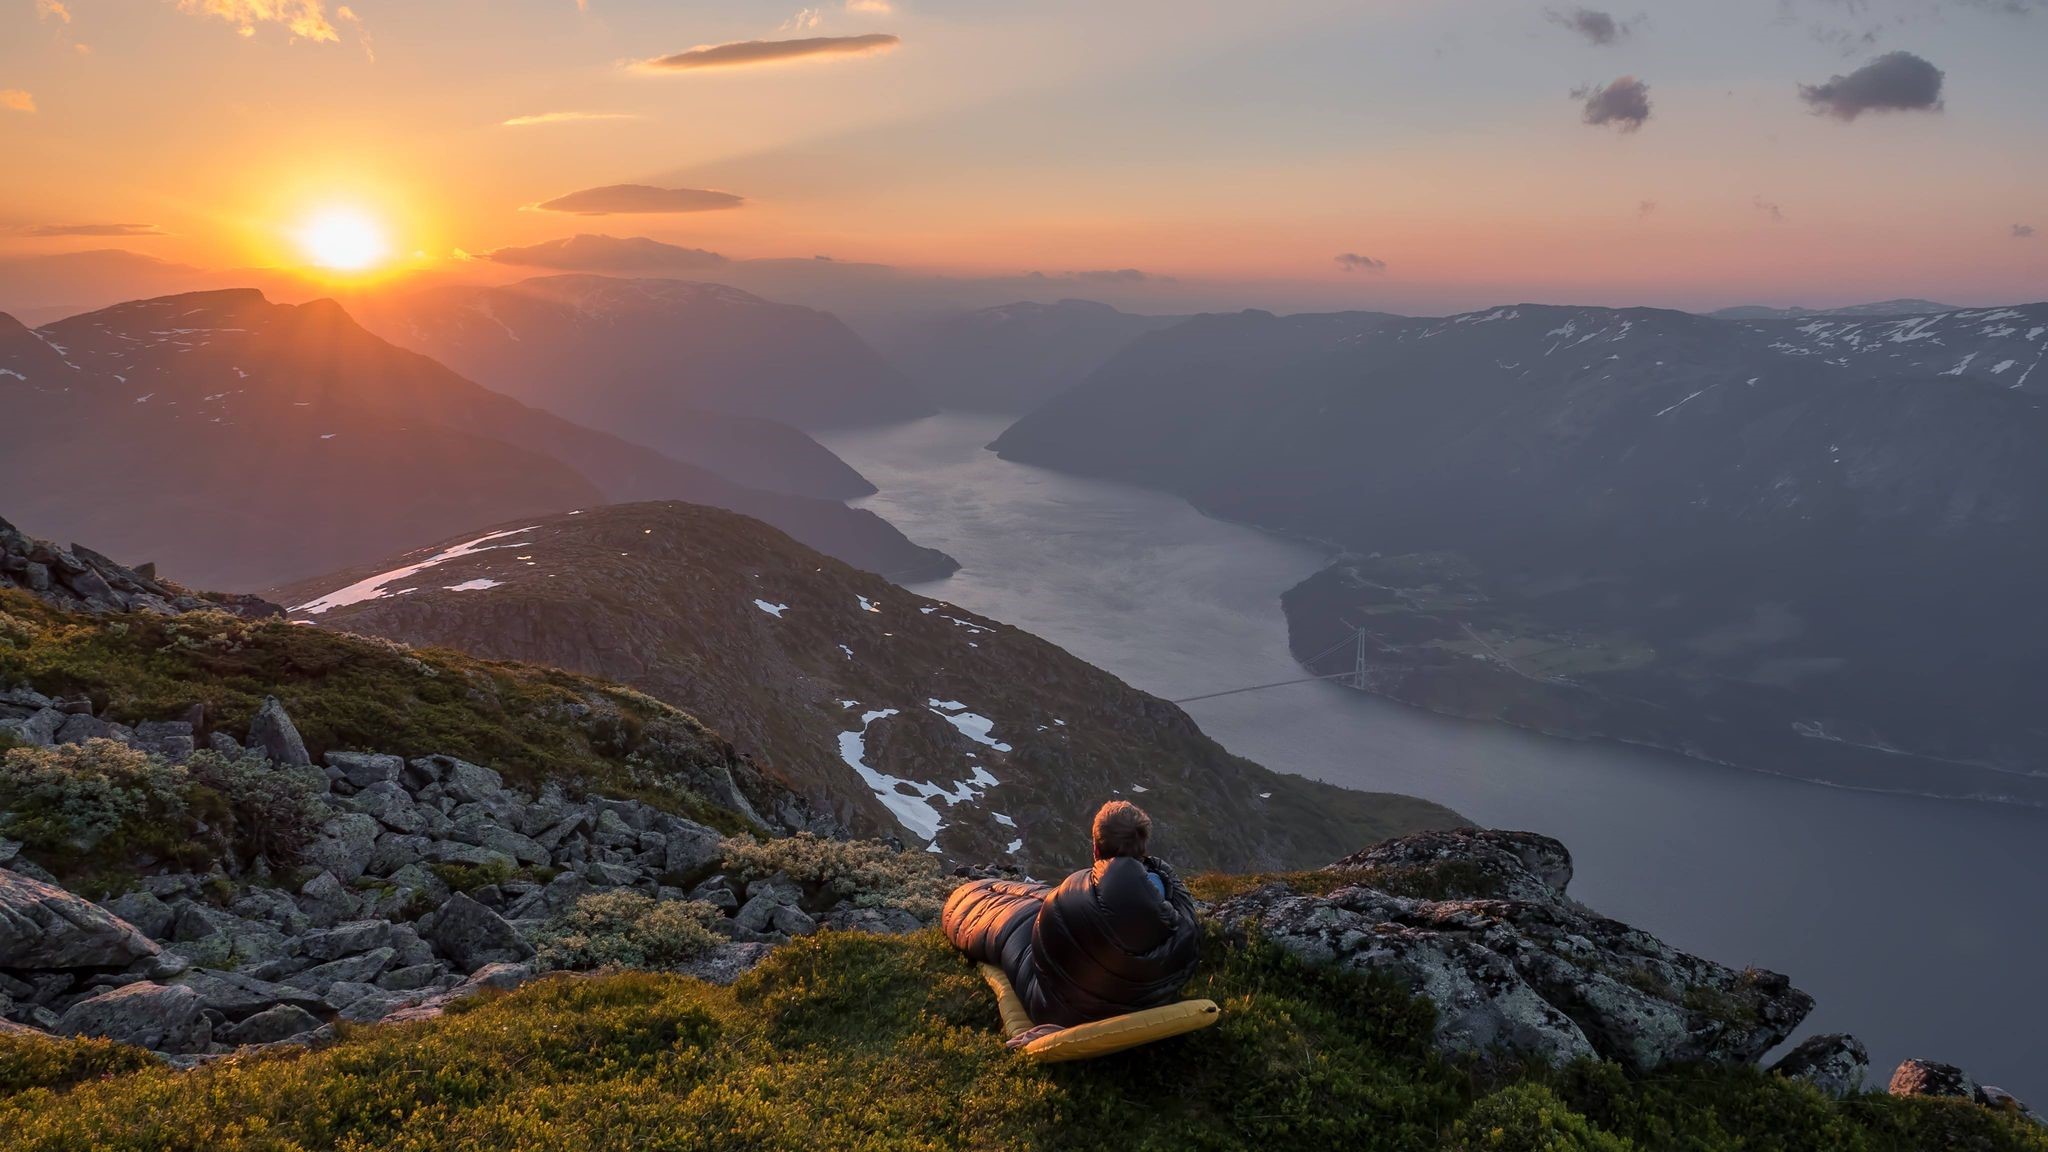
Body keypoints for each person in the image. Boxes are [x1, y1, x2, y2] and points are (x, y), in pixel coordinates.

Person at [942, 800, 1201, 1048]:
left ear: (1096, 849)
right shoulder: (1172, 905)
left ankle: (972, 892)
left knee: (977, 905)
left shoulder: (1069, 895)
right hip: (1139, 994)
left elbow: (1043, 955)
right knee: (1035, 898)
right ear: (1143, 848)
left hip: (1056, 1006)